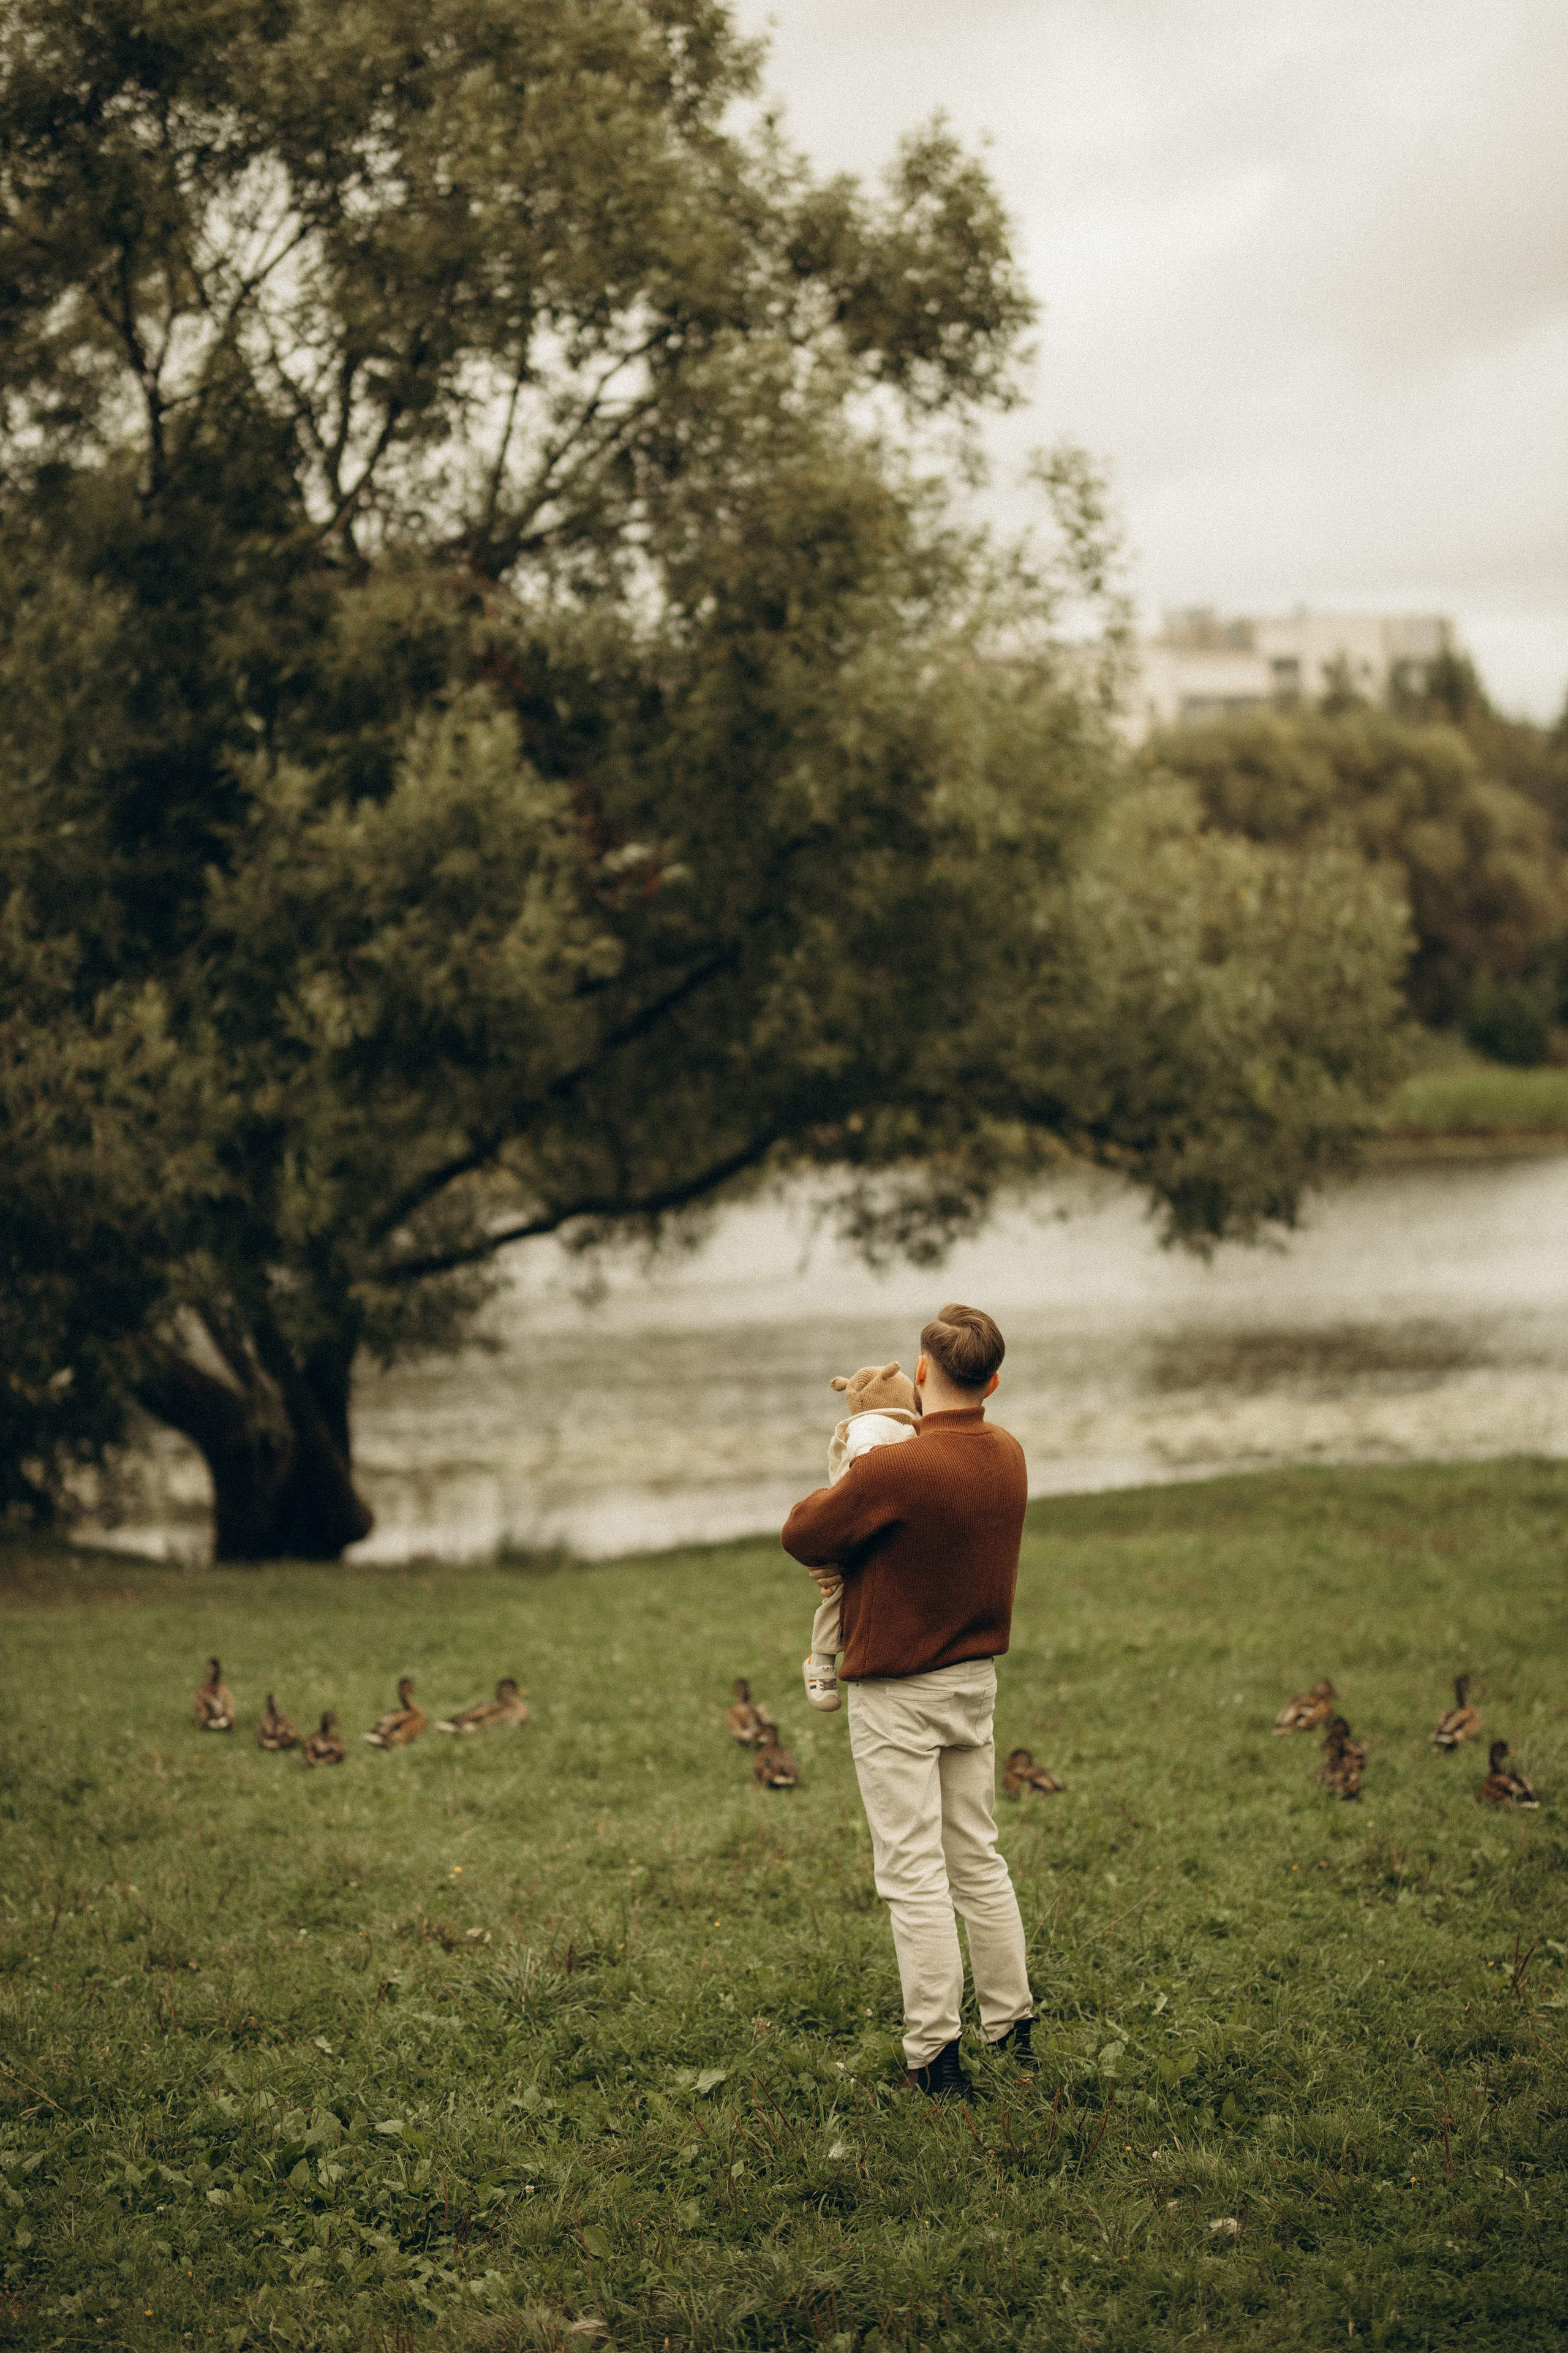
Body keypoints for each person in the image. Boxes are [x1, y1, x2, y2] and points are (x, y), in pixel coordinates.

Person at [781, 1303, 1035, 2100]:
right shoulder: (1009, 1453)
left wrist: (869, 1451)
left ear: (922, 1375)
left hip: (897, 1687)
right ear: (991, 1380)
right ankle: (1014, 2025)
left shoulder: (894, 1470)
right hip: (973, 1682)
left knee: (914, 1873)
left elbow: (803, 1532)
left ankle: (935, 2056)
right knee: (978, 1857)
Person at [801, 1359, 920, 1713]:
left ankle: (826, 1658)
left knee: (847, 1587)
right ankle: (820, 1661)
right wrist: (878, 1465)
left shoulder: (907, 1428)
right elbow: (865, 1457)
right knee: (839, 1591)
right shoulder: (872, 1424)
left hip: (871, 1516)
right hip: (859, 1517)